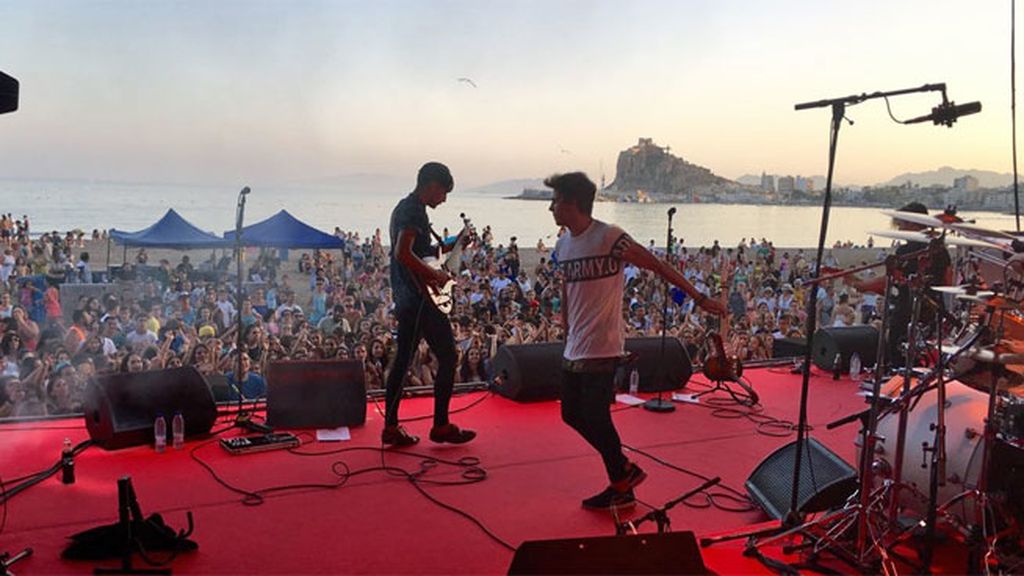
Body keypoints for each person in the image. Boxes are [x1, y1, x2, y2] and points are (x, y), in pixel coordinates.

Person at [546, 172, 726, 511]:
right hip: (575, 343)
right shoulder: (563, 244)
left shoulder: (609, 237)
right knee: (571, 414)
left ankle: (621, 484)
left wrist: (699, 298)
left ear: (571, 203)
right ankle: (624, 471)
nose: (550, 207)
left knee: (596, 416)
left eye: (555, 201)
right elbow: (567, 290)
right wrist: (566, 328)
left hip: (602, 343)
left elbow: (657, 265)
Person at [381, 162, 475, 446]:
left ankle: (391, 427)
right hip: (420, 298)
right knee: (447, 357)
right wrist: (436, 275)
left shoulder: (408, 208)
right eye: (443, 192)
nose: (444, 199)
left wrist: (454, 244)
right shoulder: (413, 211)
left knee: (403, 360)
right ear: (432, 185)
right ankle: (440, 425)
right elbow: (403, 253)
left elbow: (423, 253)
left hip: (409, 298)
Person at [850, 201, 951, 365]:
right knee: (926, 359)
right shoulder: (941, 250)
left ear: (913, 223)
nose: (899, 229)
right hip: (934, 312)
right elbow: (948, 282)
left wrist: (861, 285)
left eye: (902, 224)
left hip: (907, 313)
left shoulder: (905, 251)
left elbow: (889, 281)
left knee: (900, 357)